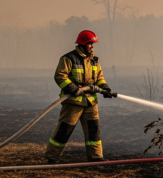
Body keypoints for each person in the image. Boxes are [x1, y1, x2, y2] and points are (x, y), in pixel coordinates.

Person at [45, 30, 115, 164]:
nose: (92, 46)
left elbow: (99, 77)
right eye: (90, 43)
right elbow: (60, 76)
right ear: (82, 43)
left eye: (93, 44)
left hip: (90, 102)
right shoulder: (69, 58)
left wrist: (105, 88)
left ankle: (95, 157)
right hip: (73, 102)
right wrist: (72, 89)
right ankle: (52, 157)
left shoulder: (94, 60)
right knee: (64, 129)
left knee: (93, 130)